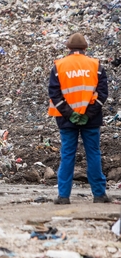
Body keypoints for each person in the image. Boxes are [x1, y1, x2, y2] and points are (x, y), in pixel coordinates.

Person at [48, 33, 110, 204]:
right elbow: (102, 93)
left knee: (67, 155)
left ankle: (63, 196)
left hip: (66, 119)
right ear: (85, 48)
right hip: (91, 119)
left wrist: (70, 114)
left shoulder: (59, 66)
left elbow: (54, 92)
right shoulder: (95, 65)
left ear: (68, 48)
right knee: (93, 154)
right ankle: (99, 195)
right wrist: (88, 113)